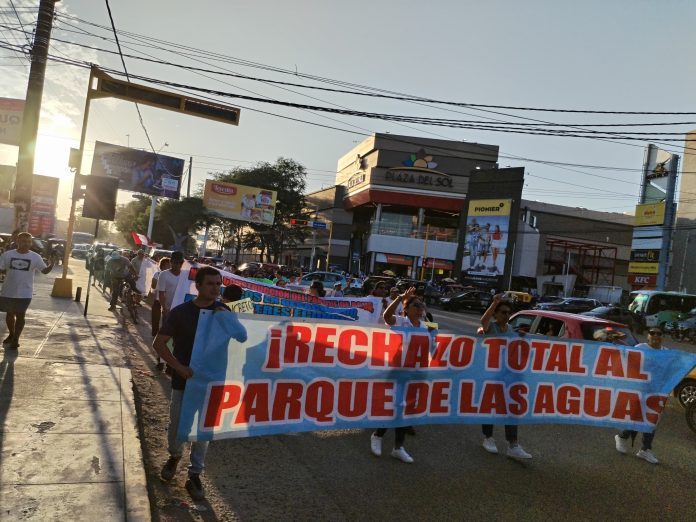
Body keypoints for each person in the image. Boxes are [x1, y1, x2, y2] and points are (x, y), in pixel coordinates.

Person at [154, 266, 245, 500]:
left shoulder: (223, 312)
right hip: (184, 381)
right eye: (211, 284)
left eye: (218, 284)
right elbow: (159, 344)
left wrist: (227, 316)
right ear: (198, 286)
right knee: (177, 425)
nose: (216, 288)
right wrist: (178, 367)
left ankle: (195, 473)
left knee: (204, 429)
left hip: (211, 383)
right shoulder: (181, 312)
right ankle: (175, 456)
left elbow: (242, 337)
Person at [369, 287, 425, 464]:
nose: (420, 308)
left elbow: (432, 349)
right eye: (415, 305)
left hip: (415, 372)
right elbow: (386, 317)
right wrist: (400, 298)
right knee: (394, 406)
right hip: (397, 370)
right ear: (406, 309)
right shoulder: (401, 322)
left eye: (421, 305)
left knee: (405, 409)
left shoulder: (425, 327)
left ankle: (398, 447)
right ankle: (377, 436)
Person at [478, 294, 532, 460]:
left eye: (509, 312)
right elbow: (483, 321)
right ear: (496, 313)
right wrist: (494, 303)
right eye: (503, 312)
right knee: (490, 407)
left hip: (508, 377)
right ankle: (488, 438)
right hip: (491, 376)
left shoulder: (510, 331)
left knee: (512, 408)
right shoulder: (490, 328)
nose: (507, 315)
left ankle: (513, 444)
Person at [613, 327, 665, 464]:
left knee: (651, 420)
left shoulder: (666, 352)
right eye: (652, 333)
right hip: (639, 389)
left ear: (662, 336)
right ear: (647, 336)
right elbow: (627, 356)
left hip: (657, 392)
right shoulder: (641, 347)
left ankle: (645, 450)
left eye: (658, 333)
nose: (655, 335)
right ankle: (622, 436)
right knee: (636, 416)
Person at [0, 232, 54, 350]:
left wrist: (51, 264)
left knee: (20, 316)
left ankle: (16, 339)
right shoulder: (7, 255)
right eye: (24, 241)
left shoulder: (35, 257)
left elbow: (44, 271)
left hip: (25, 292)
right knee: (9, 315)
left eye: (29, 242)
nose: (26, 244)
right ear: (17, 241)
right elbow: (1, 269)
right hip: (8, 291)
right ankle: (11, 334)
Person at [158, 251, 185, 317]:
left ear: (182, 263)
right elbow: (161, 293)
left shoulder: (186, 275)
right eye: (174, 263)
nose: (177, 265)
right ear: (171, 262)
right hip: (168, 309)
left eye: (179, 263)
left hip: (182, 310)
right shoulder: (164, 274)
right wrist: (164, 308)